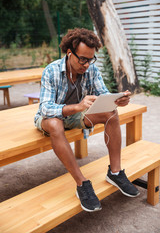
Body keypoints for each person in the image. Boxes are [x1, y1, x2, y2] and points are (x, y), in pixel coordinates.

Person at [34, 28, 140, 212]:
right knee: (54, 123)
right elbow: (45, 108)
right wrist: (77, 106)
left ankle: (115, 172)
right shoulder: (50, 71)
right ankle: (82, 183)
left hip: (76, 116)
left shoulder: (91, 70)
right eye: (82, 59)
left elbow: (104, 94)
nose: (86, 64)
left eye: (90, 59)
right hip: (51, 118)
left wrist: (118, 100)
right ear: (69, 53)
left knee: (111, 112)